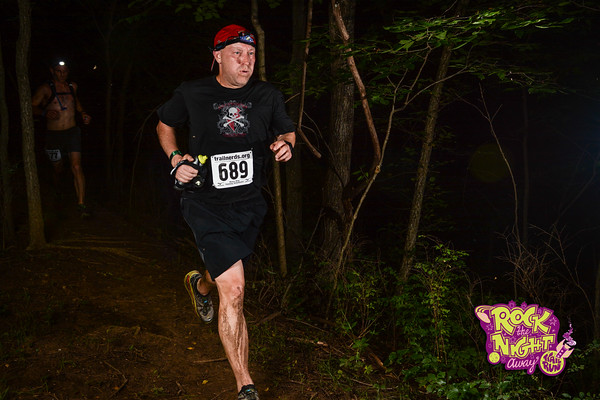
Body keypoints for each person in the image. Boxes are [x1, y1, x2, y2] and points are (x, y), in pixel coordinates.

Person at [156, 24, 295, 400]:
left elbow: (287, 131)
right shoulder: (193, 92)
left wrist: (284, 144)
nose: (246, 61)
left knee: (220, 276)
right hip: (204, 202)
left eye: (251, 55)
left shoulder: (267, 95)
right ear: (217, 55)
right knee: (234, 289)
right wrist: (174, 159)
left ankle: (198, 285)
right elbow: (165, 124)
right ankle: (245, 384)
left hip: (249, 205)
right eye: (238, 53)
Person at [31, 58, 92, 217]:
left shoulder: (73, 86)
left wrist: (83, 113)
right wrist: (44, 113)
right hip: (53, 135)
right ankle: (58, 189)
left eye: (65, 71)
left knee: (76, 166)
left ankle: (81, 204)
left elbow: (76, 102)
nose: (62, 74)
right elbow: (31, 106)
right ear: (52, 71)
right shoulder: (46, 89)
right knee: (58, 168)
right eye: (58, 71)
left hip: (72, 132)